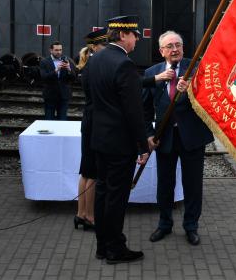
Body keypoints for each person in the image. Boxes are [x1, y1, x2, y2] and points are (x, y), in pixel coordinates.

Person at [143, 30, 214, 246]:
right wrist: (148, 134)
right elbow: (144, 109)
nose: (175, 49)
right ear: (161, 51)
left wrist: (192, 91)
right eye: (170, 46)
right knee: (165, 183)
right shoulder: (152, 72)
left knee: (192, 184)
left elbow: (211, 101)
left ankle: (191, 226)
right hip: (165, 137)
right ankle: (165, 224)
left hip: (192, 136)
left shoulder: (197, 68)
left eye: (178, 45)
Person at [89, 15, 150, 264]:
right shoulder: (124, 64)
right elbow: (133, 111)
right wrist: (142, 145)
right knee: (116, 197)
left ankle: (102, 245)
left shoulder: (96, 59)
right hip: (119, 144)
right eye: (135, 35)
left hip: (100, 139)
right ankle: (115, 249)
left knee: (103, 192)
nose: (137, 39)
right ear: (123, 35)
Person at [74, 28, 108, 231]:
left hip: (89, 120)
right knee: (93, 172)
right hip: (95, 122)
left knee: (86, 171)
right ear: (94, 47)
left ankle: (81, 214)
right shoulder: (95, 67)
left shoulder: (87, 66)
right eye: (104, 45)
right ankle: (90, 217)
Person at [39, 41, 76, 120]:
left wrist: (69, 69)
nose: (59, 52)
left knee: (62, 120)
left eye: (60, 50)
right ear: (51, 50)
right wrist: (56, 70)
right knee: (49, 119)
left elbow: (73, 78)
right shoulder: (44, 61)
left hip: (64, 95)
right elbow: (43, 77)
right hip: (50, 95)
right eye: (56, 50)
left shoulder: (67, 60)